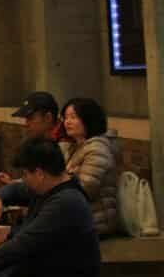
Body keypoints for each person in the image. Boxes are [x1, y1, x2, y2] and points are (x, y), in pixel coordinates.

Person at [0, 137, 100, 277]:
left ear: (40, 174)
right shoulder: (49, 186)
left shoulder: (67, 202)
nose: (23, 179)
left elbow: (24, 243)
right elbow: (16, 190)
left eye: (25, 174)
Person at [60, 97, 119, 236]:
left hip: (96, 222)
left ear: (89, 119)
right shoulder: (75, 147)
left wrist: (61, 180)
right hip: (81, 217)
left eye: (73, 117)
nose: (67, 122)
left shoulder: (97, 149)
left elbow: (86, 188)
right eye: (65, 117)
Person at [0, 92, 63, 186]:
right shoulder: (40, 141)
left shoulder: (66, 144)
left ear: (48, 118)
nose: (26, 123)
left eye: (30, 118)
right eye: (26, 119)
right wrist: (13, 183)